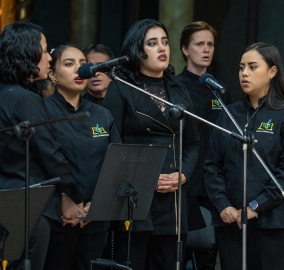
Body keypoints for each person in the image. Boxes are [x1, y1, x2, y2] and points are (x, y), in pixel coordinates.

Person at [102, 18, 200, 270]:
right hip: (136, 194)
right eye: (153, 43)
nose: (162, 49)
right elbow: (113, 144)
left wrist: (184, 175)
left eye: (165, 42)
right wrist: (144, 177)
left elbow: (193, 142)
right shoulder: (121, 88)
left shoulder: (179, 88)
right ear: (137, 49)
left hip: (173, 197)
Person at [204, 42, 284, 270]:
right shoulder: (229, 113)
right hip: (230, 220)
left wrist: (254, 206)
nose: (244, 73)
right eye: (242, 67)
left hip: (272, 224)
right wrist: (223, 205)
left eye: (253, 67)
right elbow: (212, 165)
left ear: (272, 71)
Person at [0, 22, 85, 270]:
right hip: (29, 206)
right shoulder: (26, 100)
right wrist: (75, 195)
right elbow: (50, 154)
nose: (49, 58)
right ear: (27, 52)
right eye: (46, 50)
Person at [43, 44, 121, 270]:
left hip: (95, 217)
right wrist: (64, 201)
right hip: (57, 220)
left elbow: (116, 163)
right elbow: (39, 164)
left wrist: (96, 206)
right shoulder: (42, 111)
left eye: (83, 64)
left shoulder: (102, 114)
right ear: (52, 74)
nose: (80, 70)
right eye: (69, 64)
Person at [177, 21, 232, 269]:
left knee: (209, 253)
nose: (206, 49)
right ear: (185, 49)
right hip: (184, 179)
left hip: (214, 182)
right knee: (180, 251)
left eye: (210, 44)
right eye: (200, 44)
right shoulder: (175, 87)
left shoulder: (220, 91)